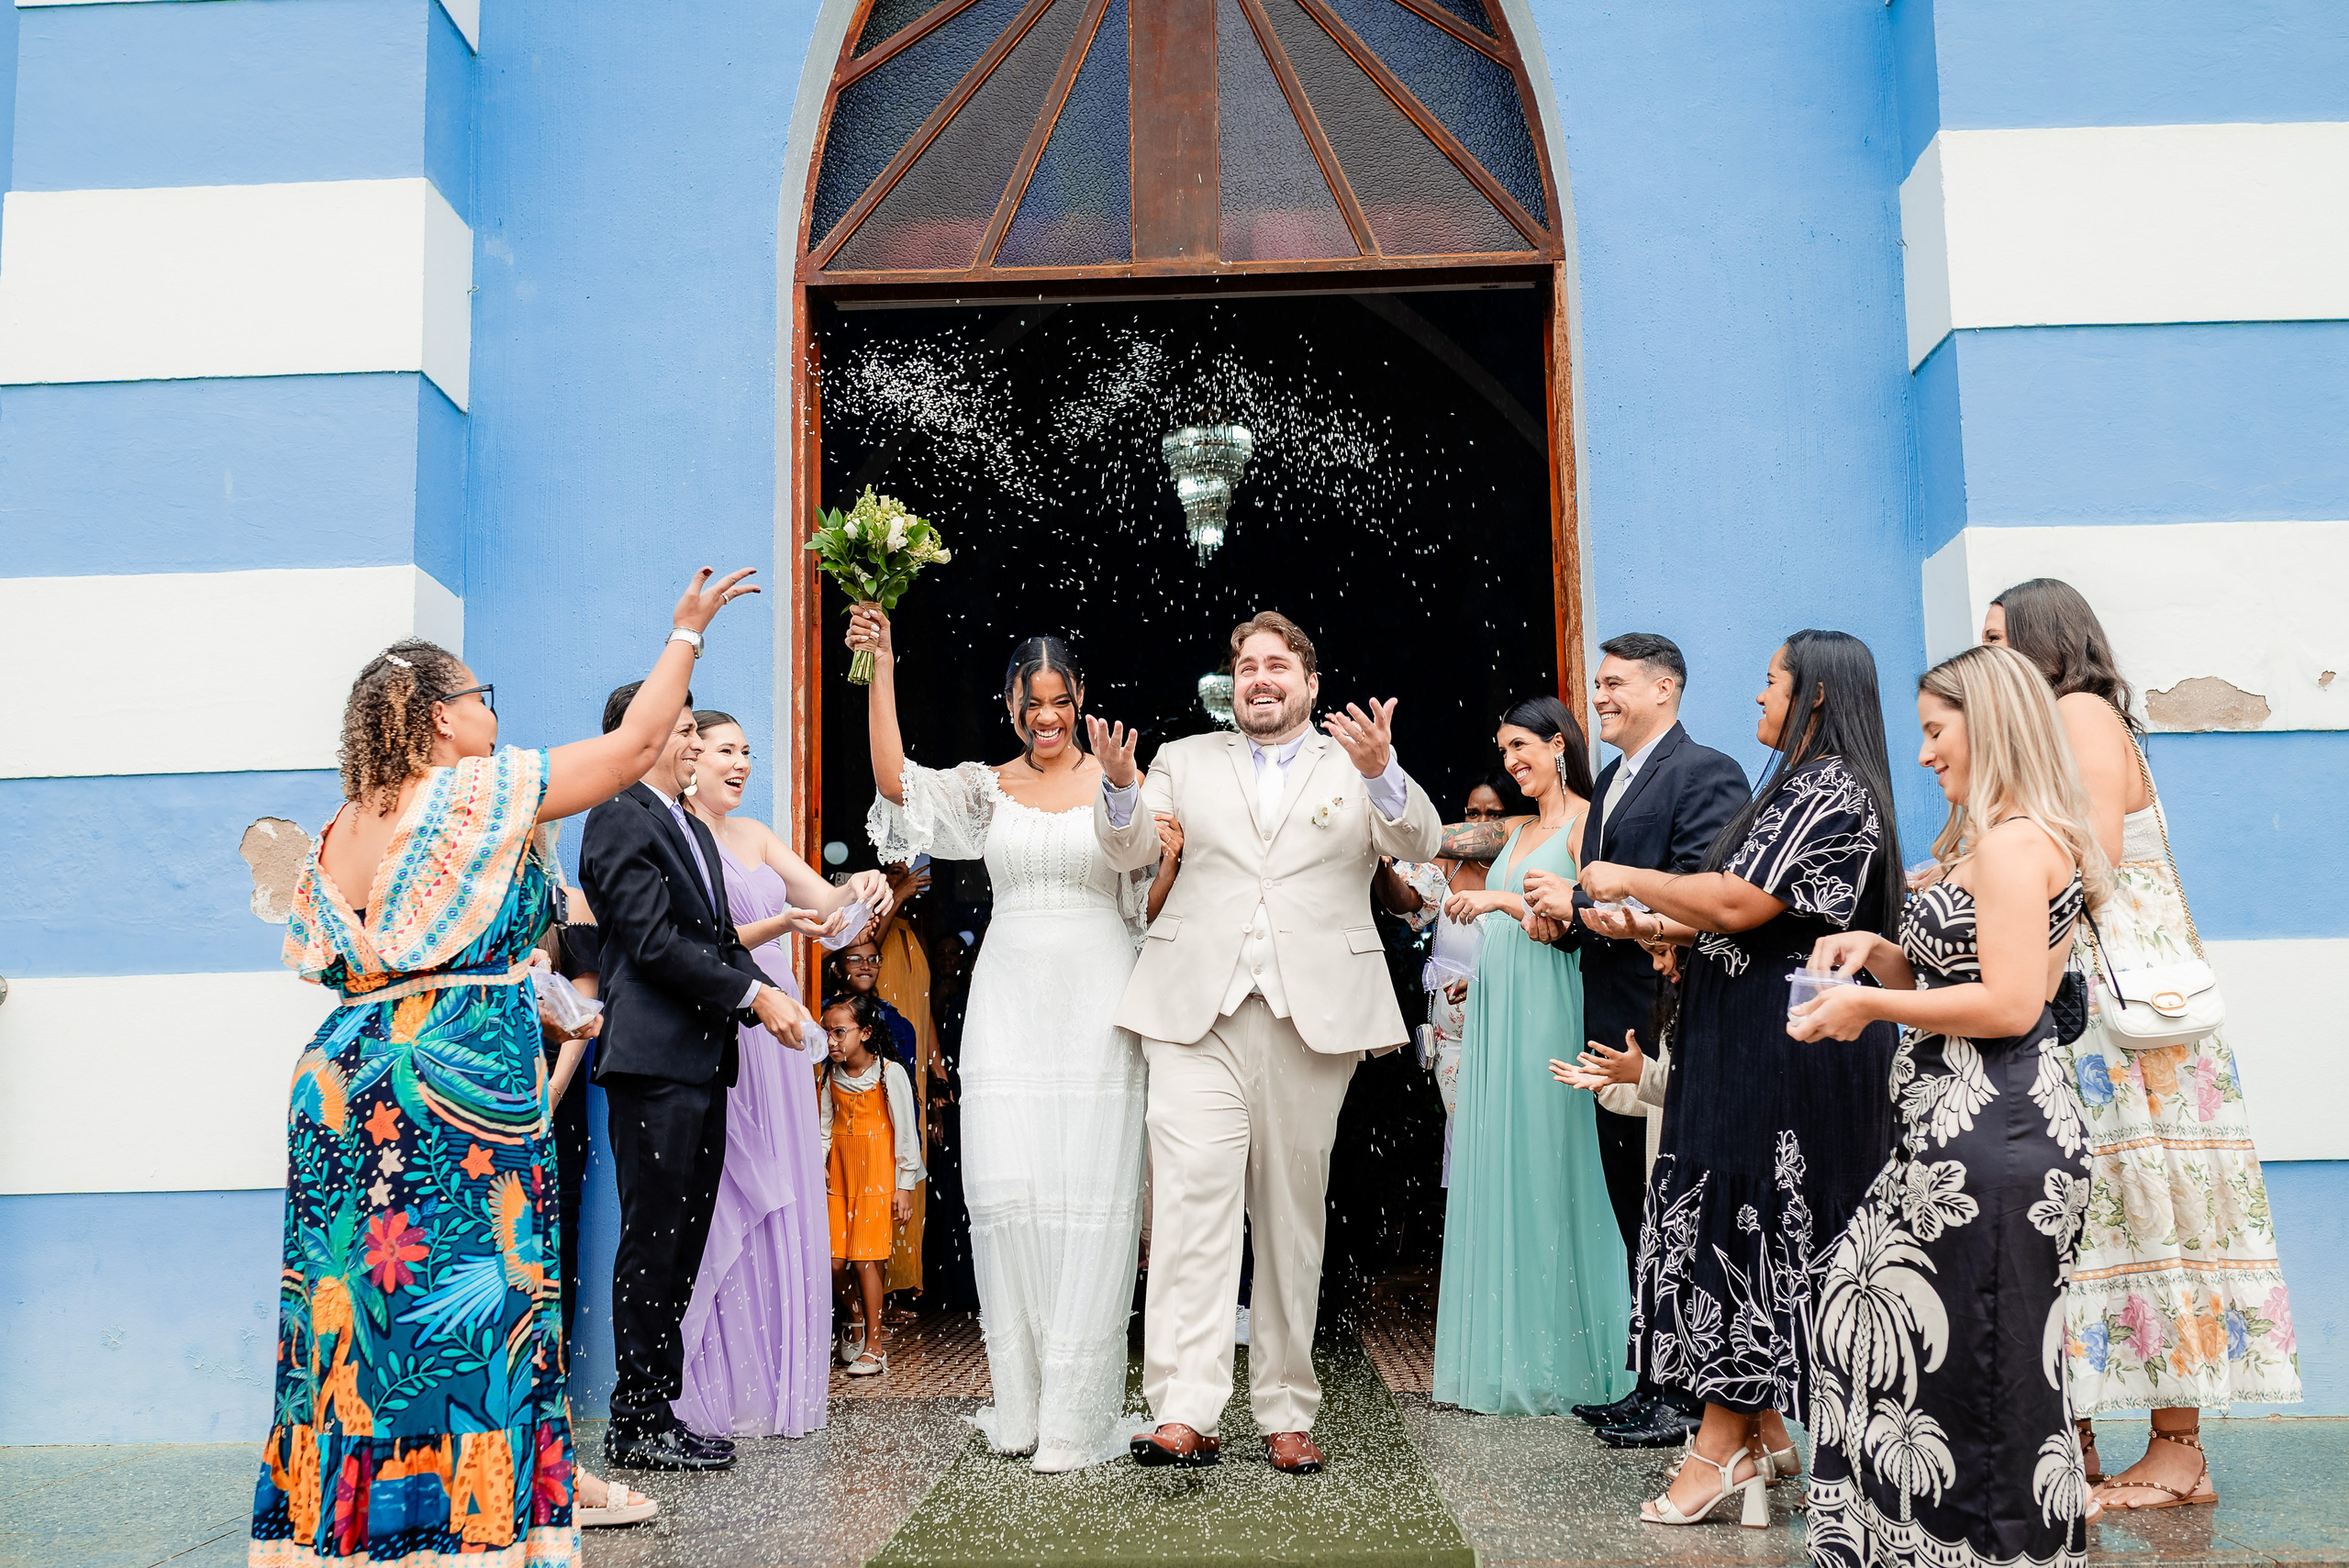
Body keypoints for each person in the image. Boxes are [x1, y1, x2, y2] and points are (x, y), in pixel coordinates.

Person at [251, 566, 760, 1560]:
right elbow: (630, 749)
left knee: (357, 1312)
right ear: (441, 719)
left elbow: (408, 957)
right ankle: (463, 1524)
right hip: (444, 1092)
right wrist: (686, 633)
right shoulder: (468, 792)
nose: (492, 712)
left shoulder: (349, 821)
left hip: (340, 1085)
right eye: (482, 697)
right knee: (470, 1303)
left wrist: (553, 1002)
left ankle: (353, 1523)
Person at [1090, 610, 1444, 1475]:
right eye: (1247, 665)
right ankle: (1183, 1408)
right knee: (1189, 1204)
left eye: (1278, 665)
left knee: (1290, 1217)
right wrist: (1122, 787)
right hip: (1193, 1009)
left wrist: (1383, 772)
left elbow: (1420, 843)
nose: (1261, 677)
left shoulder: (1351, 761)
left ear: (1309, 684)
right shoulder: (1181, 758)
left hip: (1311, 1015)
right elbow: (1130, 851)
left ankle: (1286, 1406)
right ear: (1233, 684)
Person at [1576, 630, 1904, 1525]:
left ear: (1817, 697)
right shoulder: (1795, 784)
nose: (1757, 697)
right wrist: (1647, 927)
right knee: (1733, 1214)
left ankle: (1717, 1448)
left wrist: (1627, 876)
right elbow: (1744, 919)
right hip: (1746, 1032)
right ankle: (1760, 1429)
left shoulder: (1831, 785)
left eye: (1770, 682)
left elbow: (1740, 902)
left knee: (1745, 1228)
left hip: (1782, 1043)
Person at [1986, 579, 2300, 1507]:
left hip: (2126, 1033)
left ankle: (2176, 1453)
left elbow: (2090, 854)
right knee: (2087, 1217)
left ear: (2047, 644)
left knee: (2147, 1209)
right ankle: (2072, 1438)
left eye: (2000, 637)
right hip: (2080, 1019)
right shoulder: (2042, 730)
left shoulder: (2081, 711)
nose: (1989, 654)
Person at [1793, 642, 2108, 1566]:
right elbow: (1971, 969)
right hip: (1963, 1135)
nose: (1924, 752)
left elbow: (2013, 1004)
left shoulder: (2013, 845)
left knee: (1975, 1372)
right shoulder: (2007, 836)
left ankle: (1961, 1547)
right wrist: (1878, 952)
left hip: (1990, 1139)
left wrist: (1870, 1002)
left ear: (1990, 723)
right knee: (1915, 1344)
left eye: (1936, 730)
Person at [851, 608, 1152, 1472]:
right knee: (1010, 1187)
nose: (1047, 717)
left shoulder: (1123, 778)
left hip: (1098, 996)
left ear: (1083, 698)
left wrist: (1129, 790)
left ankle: (1075, 1412)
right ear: (1012, 705)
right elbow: (896, 784)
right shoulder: (987, 788)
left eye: (1061, 700)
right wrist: (883, 666)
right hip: (1011, 998)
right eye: (1032, 703)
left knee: (1089, 1193)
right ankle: (1020, 1402)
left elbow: (1146, 878)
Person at [582, 643, 820, 1475]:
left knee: (679, 1242)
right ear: (635, 735)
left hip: (701, 1061)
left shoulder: (681, 823)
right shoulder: (618, 816)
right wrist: (755, 997)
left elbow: (713, 939)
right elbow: (651, 944)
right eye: (681, 728)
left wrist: (770, 995)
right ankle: (635, 1418)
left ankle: (660, 1408)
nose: (693, 742)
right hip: (652, 1063)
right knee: (652, 1241)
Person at [1520, 631, 1749, 1448]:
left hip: (1668, 1026)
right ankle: (1649, 1379)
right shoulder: (1612, 780)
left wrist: (1588, 910)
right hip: (1607, 1029)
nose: (1601, 697)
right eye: (1599, 683)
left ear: (1666, 689)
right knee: (1637, 1215)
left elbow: (1700, 899)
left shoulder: (1705, 772)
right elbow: (1598, 920)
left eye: (1616, 683)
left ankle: (1690, 1399)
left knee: (1677, 1213)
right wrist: (1563, 920)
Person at [674, 711, 893, 1440]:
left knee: (786, 1197)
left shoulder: (758, 834)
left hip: (784, 1034)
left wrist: (859, 883)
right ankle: (719, 1378)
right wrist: (778, 935)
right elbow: (686, 942)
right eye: (724, 750)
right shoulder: (675, 836)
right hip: (727, 1020)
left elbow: (827, 911)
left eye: (746, 750)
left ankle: (771, 1381)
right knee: (731, 1195)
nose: (739, 762)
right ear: (690, 754)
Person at [1431, 697, 1631, 1416]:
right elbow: (1438, 838)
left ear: (1558, 745)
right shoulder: (1514, 828)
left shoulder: (1588, 824)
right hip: (1499, 1006)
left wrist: (1501, 906)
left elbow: (1586, 920)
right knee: (1503, 1160)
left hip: (1552, 1004)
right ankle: (1505, 1350)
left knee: (1555, 1161)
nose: (1512, 761)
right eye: (1504, 749)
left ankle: (1572, 1358)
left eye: (1522, 747)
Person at [1388, 775, 1514, 1184]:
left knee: (1508, 1142)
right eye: (1472, 813)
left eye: (1493, 815)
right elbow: (1406, 902)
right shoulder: (1447, 862)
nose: (1479, 823)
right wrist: (1381, 863)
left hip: (1512, 1024)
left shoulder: (1522, 864)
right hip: (1453, 1035)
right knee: (1468, 1145)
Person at [818, 993, 925, 1376]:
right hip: (841, 1178)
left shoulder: (887, 1073)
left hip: (878, 1178)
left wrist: (904, 1185)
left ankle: (875, 1347)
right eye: (827, 1032)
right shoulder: (830, 1076)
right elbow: (824, 1130)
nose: (831, 1040)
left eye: (839, 1032)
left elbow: (905, 1134)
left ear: (864, 1032)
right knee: (831, 1260)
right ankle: (856, 1317)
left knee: (867, 1260)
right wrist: (819, 1164)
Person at [868, 860, 941, 1300]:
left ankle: (907, 1278)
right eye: (893, 874)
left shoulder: (913, 935)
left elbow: (925, 1004)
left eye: (907, 872)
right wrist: (901, 893)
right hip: (883, 1062)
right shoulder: (875, 926)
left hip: (913, 1069)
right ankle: (882, 1283)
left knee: (913, 1162)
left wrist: (937, 1068)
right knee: (885, 1158)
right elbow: (864, 950)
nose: (904, 879)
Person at [830, 935, 918, 1070]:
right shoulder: (824, 1017)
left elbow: (906, 1083)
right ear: (838, 970)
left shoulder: (896, 1022)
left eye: (873, 959)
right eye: (855, 960)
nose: (866, 966)